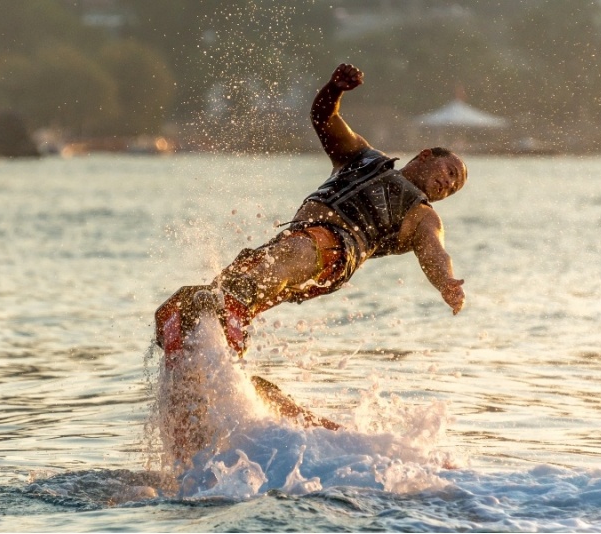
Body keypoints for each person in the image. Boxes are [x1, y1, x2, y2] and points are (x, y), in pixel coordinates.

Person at [155, 64, 467, 420]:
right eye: (451, 174)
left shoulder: (423, 215)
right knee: (197, 303)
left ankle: (228, 321)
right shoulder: (363, 158)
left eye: (454, 189)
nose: (448, 187)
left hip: (336, 250)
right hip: (292, 245)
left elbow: (435, 251)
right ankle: (234, 388)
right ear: (425, 155)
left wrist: (446, 283)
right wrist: (334, 89)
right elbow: (323, 117)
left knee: (271, 268)